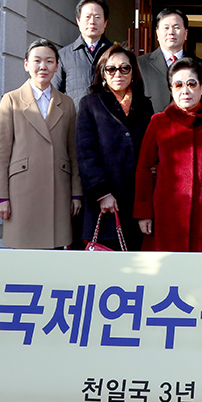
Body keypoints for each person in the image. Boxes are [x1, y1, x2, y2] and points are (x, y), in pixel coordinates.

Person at [134, 56, 202, 251]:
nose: (185, 90)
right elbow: (144, 169)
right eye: (178, 85)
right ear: (171, 90)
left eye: (191, 84)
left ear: (201, 88)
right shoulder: (158, 122)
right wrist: (144, 212)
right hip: (166, 215)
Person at [0, 38, 81, 249]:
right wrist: (0, 196)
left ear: (57, 67)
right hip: (21, 189)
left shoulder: (66, 102)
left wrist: (76, 192)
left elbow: (73, 150)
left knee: (54, 255)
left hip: (58, 187)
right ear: (26, 65)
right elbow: (2, 151)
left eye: (50, 61)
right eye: (37, 61)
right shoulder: (12, 100)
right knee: (24, 257)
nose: (43, 67)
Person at [76, 46, 153, 251]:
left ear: (133, 72)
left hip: (137, 199)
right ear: (102, 73)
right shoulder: (89, 104)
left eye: (124, 68)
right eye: (111, 69)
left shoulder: (145, 106)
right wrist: (102, 193)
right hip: (106, 200)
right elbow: (85, 153)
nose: (118, 74)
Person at [141, 7, 202, 114]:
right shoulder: (140, 64)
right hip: (152, 127)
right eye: (166, 28)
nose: (171, 32)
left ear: (186, 33)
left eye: (176, 27)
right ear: (157, 34)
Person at [54, 0, 115, 106]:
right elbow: (55, 92)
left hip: (108, 120)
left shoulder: (116, 54)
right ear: (78, 21)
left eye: (97, 17)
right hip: (75, 120)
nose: (92, 22)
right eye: (87, 17)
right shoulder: (63, 55)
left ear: (105, 23)